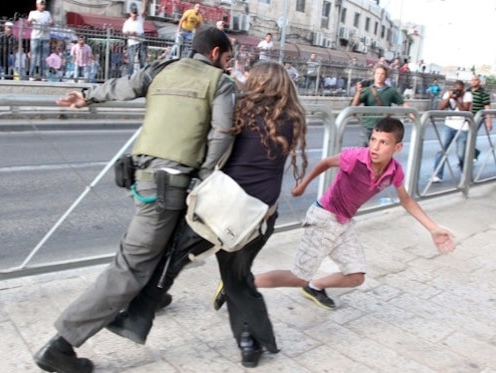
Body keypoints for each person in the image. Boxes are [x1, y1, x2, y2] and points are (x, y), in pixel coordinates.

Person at [32, 26, 236, 373]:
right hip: (168, 187)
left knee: (166, 247)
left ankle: (151, 300)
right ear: (216, 53)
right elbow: (221, 133)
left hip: (147, 178)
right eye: (228, 59)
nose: (228, 66)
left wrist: (87, 95)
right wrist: (203, 180)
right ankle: (61, 345)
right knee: (129, 267)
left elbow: (124, 85)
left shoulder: (163, 68)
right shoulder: (221, 83)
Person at [103, 61, 308, 368]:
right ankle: (250, 344)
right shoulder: (290, 121)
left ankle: (136, 318)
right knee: (237, 279)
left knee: (170, 259)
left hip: (219, 208)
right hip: (258, 218)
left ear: (256, 85)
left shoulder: (240, 113)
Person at [213, 117, 455, 311]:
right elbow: (327, 162)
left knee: (356, 277)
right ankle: (237, 282)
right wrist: (302, 186)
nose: (375, 147)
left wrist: (433, 228)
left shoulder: (394, 170)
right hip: (323, 217)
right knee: (297, 276)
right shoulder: (356, 157)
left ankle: (315, 287)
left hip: (344, 222)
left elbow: (406, 200)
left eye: (383, 142)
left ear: (397, 147)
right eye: (373, 139)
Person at [351, 63, 412, 146]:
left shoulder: (390, 91)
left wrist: (412, 114)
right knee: (363, 151)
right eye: (377, 73)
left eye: (382, 74)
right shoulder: (367, 90)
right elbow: (353, 106)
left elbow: (403, 103)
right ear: (374, 75)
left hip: (383, 127)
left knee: (380, 152)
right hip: (368, 126)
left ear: (386, 76)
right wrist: (358, 91)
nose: (379, 76)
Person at [431, 80, 473, 183]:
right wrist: (449, 97)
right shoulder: (448, 93)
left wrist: (457, 99)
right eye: (455, 89)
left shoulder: (467, 95)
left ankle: (465, 174)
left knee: (461, 154)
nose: (457, 91)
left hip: (463, 127)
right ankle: (437, 174)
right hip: (449, 125)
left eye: (459, 90)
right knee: (442, 150)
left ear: (463, 89)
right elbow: (440, 108)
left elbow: (465, 110)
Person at [467, 75, 492, 162]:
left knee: (471, 135)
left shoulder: (483, 93)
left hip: (477, 118)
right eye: (472, 80)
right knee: (465, 137)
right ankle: (473, 153)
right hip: (468, 117)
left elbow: (487, 108)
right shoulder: (467, 91)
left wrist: (489, 121)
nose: (473, 82)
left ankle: (471, 156)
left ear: (479, 82)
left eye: (476, 80)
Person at [27, 0, 54, 80]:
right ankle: (31, 75)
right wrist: (31, 21)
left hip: (45, 37)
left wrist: (51, 23)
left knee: (44, 57)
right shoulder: (32, 13)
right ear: (37, 5)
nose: (43, 6)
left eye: (44, 4)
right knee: (34, 56)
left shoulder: (47, 13)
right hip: (35, 37)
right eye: (41, 4)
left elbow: (52, 23)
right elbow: (28, 23)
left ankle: (43, 75)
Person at [122, 1, 146, 75]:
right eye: (133, 14)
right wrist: (130, 33)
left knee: (142, 61)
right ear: (130, 13)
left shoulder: (140, 18)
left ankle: (142, 76)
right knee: (131, 62)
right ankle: (129, 77)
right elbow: (124, 32)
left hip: (141, 42)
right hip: (132, 43)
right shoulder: (127, 22)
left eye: (136, 14)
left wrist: (145, 2)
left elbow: (143, 10)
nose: (135, 16)